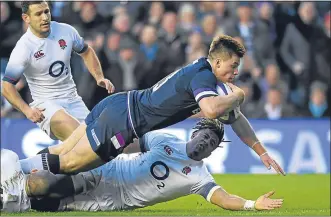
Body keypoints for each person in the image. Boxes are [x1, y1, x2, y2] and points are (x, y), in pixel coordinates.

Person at [20, 34, 285, 177]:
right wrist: (238, 95)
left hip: (119, 105)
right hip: (123, 122)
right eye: (233, 66)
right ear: (217, 63)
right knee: (70, 164)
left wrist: (260, 151)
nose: (236, 72)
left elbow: (235, 118)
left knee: (64, 148)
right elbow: (212, 111)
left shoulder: (206, 74)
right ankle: (17, 183)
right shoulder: (204, 77)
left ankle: (15, 169)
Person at [1, 119, 284, 212]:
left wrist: (251, 205)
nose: (205, 143)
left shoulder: (199, 177)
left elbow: (224, 199)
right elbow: (128, 140)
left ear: (214, 151)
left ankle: (8, 196)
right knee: (41, 185)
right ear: (195, 132)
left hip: (113, 202)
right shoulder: (164, 140)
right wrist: (101, 146)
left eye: (211, 142)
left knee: (43, 205)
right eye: (205, 136)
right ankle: (13, 181)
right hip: (106, 170)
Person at [1, 1, 114, 151]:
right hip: (46, 106)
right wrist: (27, 110)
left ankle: (55, 167)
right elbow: (6, 86)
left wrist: (99, 77)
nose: (45, 17)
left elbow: (86, 51)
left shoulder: (65, 31)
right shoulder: (24, 48)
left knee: (100, 141)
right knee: (84, 140)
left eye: (46, 11)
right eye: (38, 14)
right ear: (26, 18)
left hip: (73, 100)